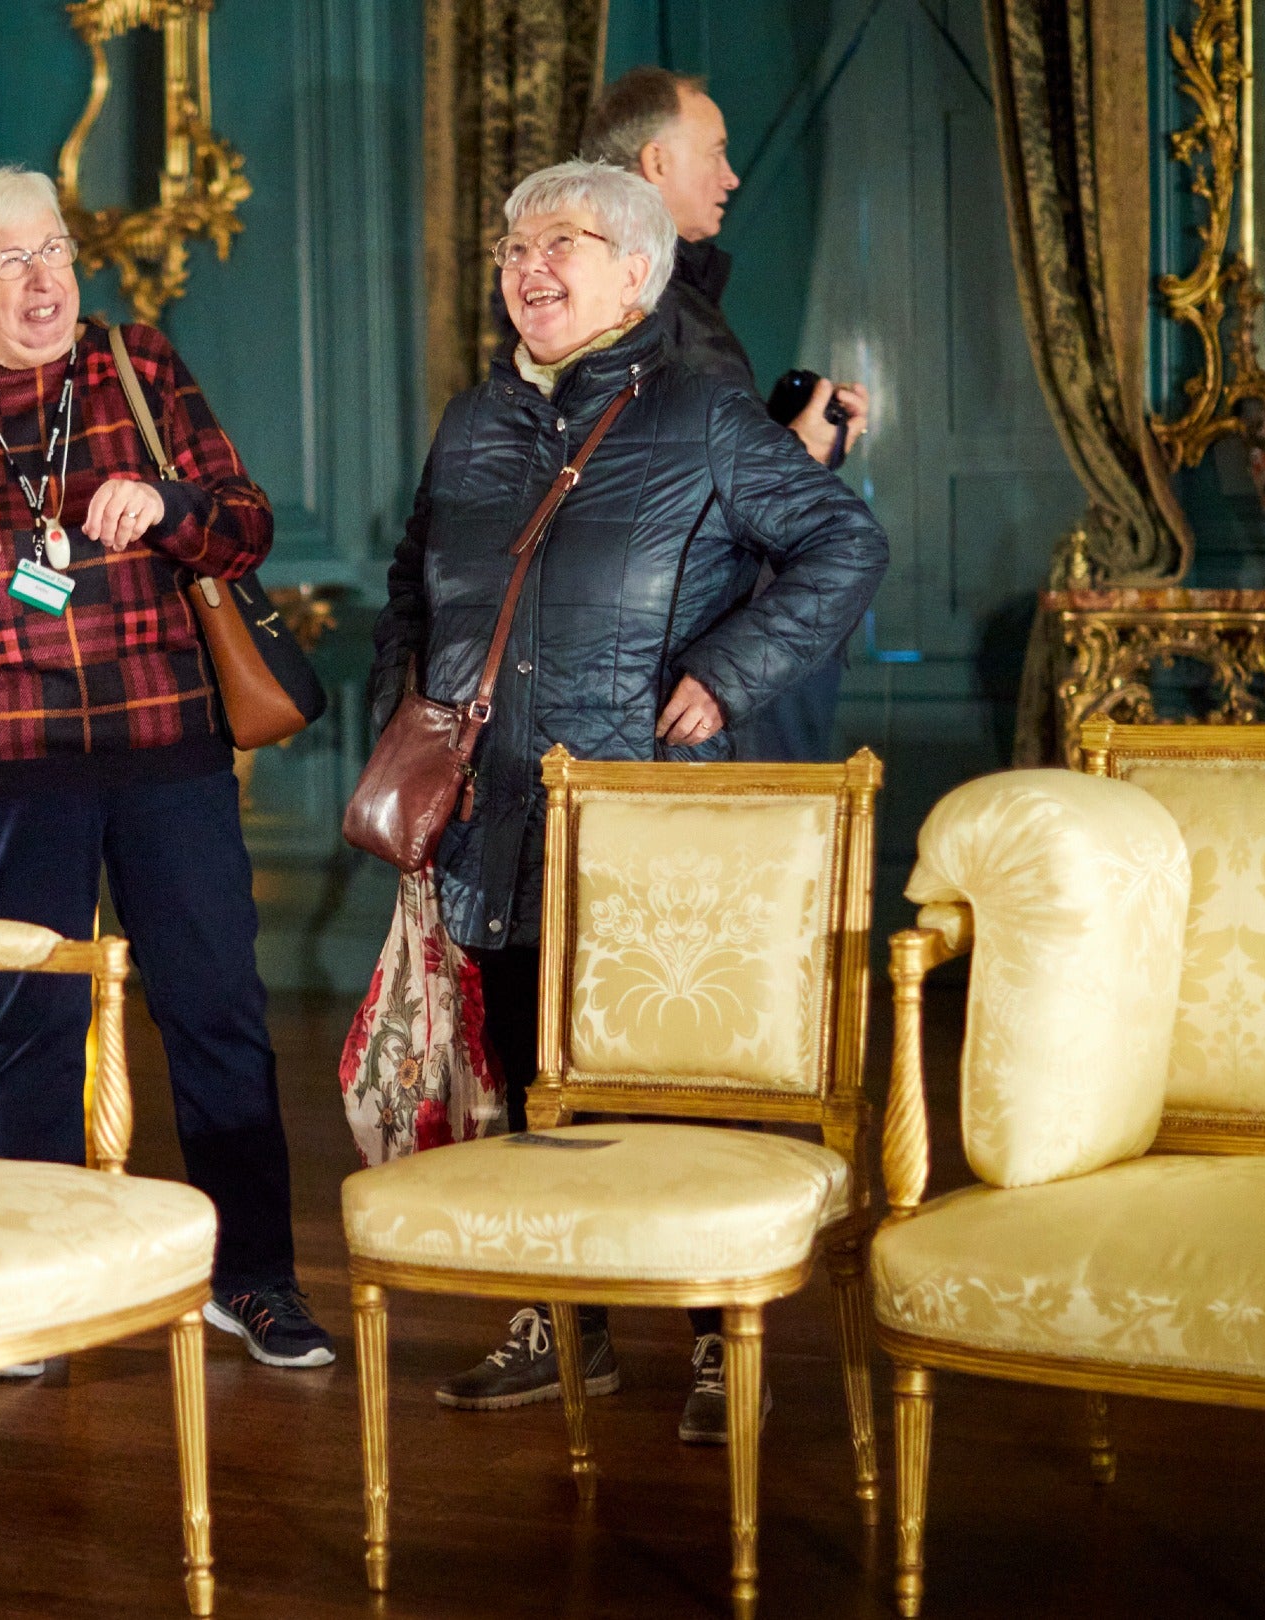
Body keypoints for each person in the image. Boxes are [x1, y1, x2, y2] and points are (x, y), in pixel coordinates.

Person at [369, 161, 886, 1438]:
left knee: (665, 1084)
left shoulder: (705, 416)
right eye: (512, 246)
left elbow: (844, 543)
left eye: (565, 241)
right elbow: (413, 593)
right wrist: (410, 739)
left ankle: (717, 1335)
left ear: (639, 274)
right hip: (488, 813)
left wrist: (727, 669)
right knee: (528, 1085)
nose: (528, 266)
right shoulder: (471, 424)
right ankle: (563, 1324)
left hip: (643, 819)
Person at [0, 164, 332, 1372]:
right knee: (30, 1027)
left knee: (217, 1012)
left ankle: (255, 1279)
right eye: (8, 261)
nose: (42, 278)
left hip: (168, 745)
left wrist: (165, 504)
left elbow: (245, 520)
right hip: (8, 762)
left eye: (53, 251)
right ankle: (27, 1286)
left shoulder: (138, 365)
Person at [583, 65, 871, 764]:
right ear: (656, 160)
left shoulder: (634, 296)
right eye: (714, 151)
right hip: (692, 681)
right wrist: (802, 448)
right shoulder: (652, 307)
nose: (732, 175)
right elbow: (692, 509)